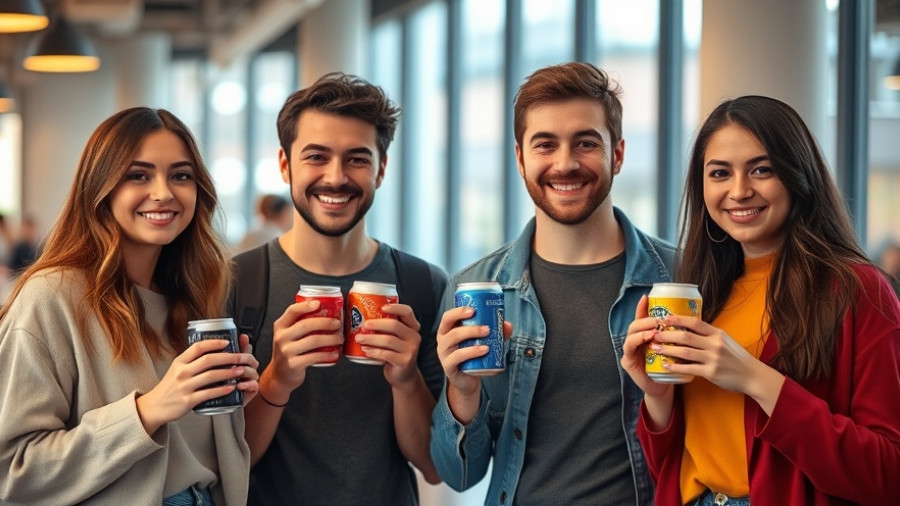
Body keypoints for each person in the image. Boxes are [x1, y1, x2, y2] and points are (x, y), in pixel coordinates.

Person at [620, 95, 900, 505]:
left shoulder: (859, 289)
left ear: (798, 175)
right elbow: (668, 469)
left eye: (761, 170)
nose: (739, 191)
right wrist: (657, 396)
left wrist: (754, 378)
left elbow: (888, 474)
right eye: (720, 173)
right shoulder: (703, 291)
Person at [430, 62, 675, 505]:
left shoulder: (681, 277)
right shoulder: (474, 287)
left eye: (586, 143)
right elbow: (459, 476)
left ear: (618, 155)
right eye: (545, 145)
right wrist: (462, 393)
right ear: (520, 158)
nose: (566, 164)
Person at [0, 107, 260, 505]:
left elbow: (195, 453)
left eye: (181, 176)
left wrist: (232, 398)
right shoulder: (51, 296)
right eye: (138, 175)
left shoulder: (196, 293)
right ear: (100, 188)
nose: (164, 192)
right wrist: (148, 411)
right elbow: (13, 472)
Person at [228, 72, 448, 505]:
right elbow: (221, 462)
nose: (336, 177)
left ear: (381, 170)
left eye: (357, 159)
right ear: (285, 165)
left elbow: (434, 466)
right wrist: (276, 381)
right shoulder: (235, 285)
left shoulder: (423, 286)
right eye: (316, 156)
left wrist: (406, 380)